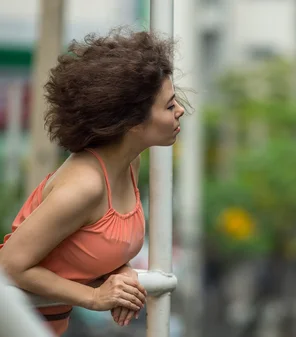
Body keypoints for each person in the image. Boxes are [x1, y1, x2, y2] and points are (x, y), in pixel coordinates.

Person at [0, 27, 185, 336]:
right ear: (133, 123)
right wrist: (96, 296)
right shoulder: (85, 186)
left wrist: (119, 275)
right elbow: (7, 266)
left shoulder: (128, 164)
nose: (180, 111)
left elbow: (83, 247)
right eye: (169, 106)